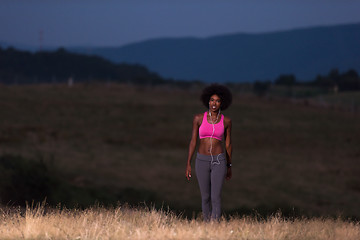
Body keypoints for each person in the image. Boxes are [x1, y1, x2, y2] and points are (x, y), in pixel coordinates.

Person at [185, 83, 233, 221]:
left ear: (222, 103)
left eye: (217, 101)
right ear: (207, 100)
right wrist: (188, 163)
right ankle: (207, 225)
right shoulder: (198, 119)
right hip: (201, 161)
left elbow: (228, 144)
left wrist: (229, 166)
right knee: (205, 196)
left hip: (219, 161)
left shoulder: (227, 122)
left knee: (215, 196)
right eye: (212, 100)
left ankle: (215, 226)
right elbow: (193, 141)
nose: (214, 103)